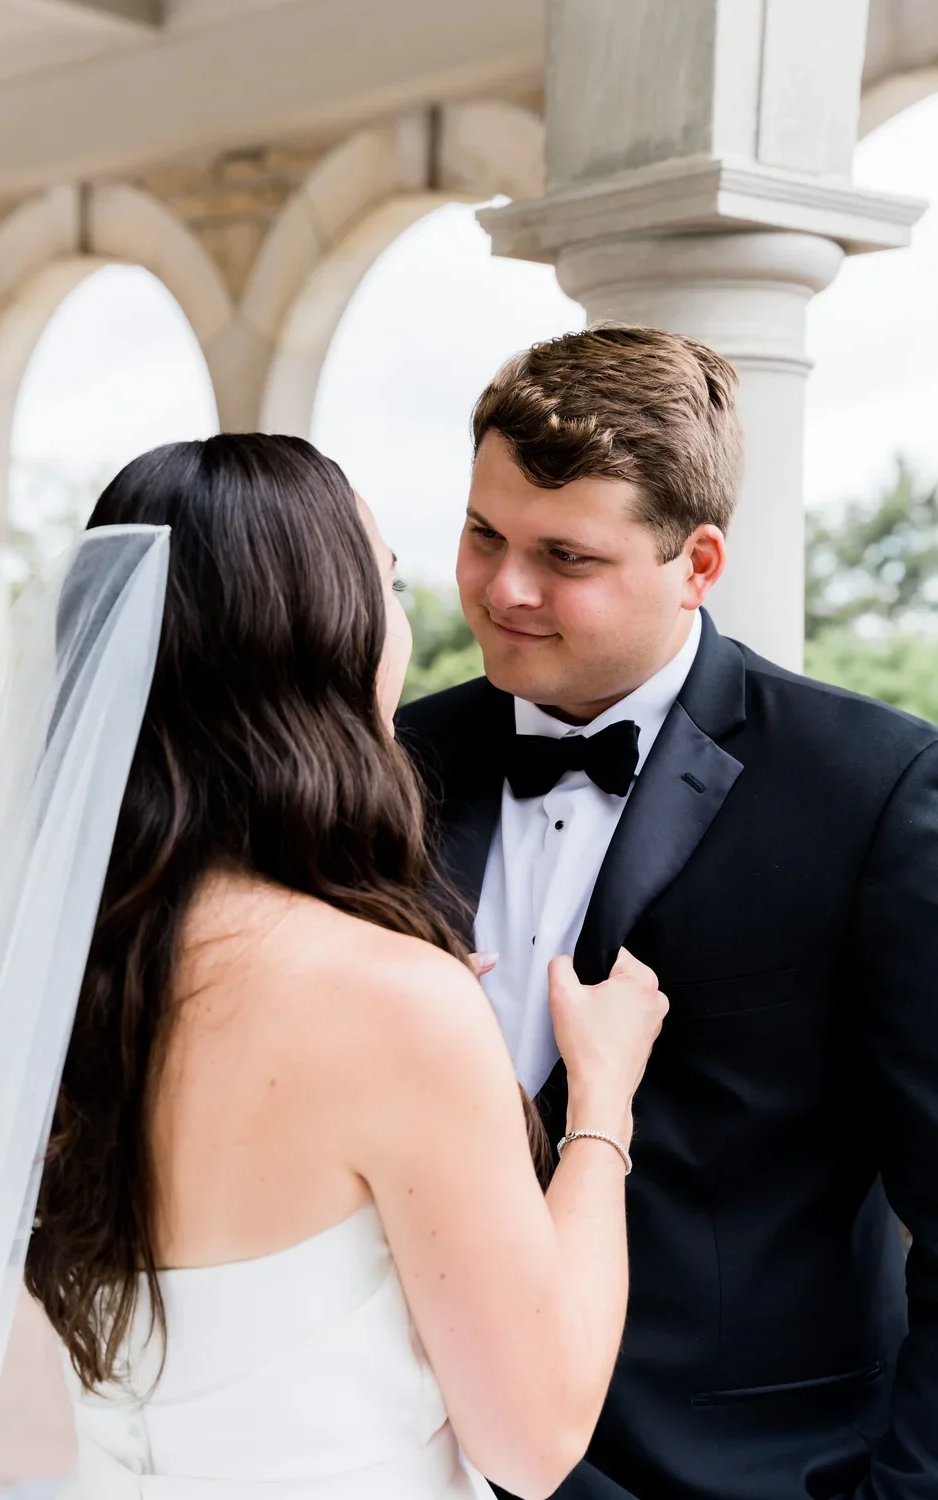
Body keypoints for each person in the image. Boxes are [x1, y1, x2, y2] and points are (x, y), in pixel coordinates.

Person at [0, 433, 666, 1500]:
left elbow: (15, 1416)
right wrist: (599, 1108)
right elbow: (536, 1439)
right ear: (318, 635)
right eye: (380, 586)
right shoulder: (397, 1001)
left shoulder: (34, 972)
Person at [398, 326, 938, 1500]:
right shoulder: (387, 768)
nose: (504, 589)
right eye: (483, 535)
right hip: (417, 1451)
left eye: (566, 557)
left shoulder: (872, 789)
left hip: (738, 1476)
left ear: (697, 563)